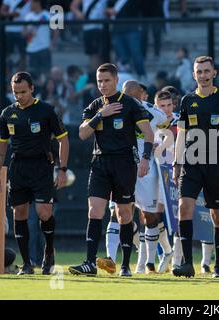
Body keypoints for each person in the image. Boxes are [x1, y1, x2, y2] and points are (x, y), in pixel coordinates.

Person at [68, 63, 154, 277]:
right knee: (94, 211)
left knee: (124, 213)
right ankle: (89, 263)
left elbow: (148, 133)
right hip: (100, 163)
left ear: (116, 80)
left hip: (124, 163)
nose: (103, 85)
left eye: (107, 80)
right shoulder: (95, 105)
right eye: (99, 81)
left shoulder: (130, 104)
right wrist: (101, 114)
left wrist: (145, 159)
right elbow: (82, 133)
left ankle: (125, 265)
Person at [0, 71, 69, 275]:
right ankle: (27, 264)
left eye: (23, 91)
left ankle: (49, 252)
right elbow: (1, 145)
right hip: (18, 167)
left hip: (42, 166)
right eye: (15, 92)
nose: (19, 96)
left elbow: (63, 140)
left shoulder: (46, 111)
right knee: (19, 213)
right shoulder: (7, 114)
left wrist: (62, 169)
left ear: (32, 89)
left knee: (44, 212)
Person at [172, 56, 219, 278]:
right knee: (184, 208)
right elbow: (181, 134)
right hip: (191, 164)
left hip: (217, 164)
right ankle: (187, 263)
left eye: (206, 71)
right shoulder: (187, 101)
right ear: (193, 75)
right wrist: (176, 163)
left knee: (218, 216)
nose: (202, 75)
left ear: (214, 73)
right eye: (198, 72)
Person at [70, 0, 107, 69]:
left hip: (102, 27)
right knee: (93, 53)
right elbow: (73, 5)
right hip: (89, 27)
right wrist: (78, 14)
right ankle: (94, 74)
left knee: (102, 53)